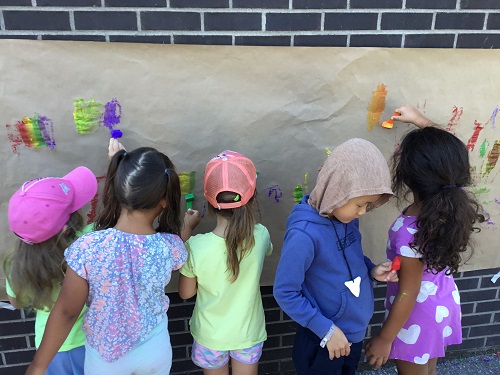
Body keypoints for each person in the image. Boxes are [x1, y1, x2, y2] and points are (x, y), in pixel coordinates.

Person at [26, 146, 199, 375]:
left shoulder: (88, 247)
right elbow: (176, 258)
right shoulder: (170, 246)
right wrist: (186, 229)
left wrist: (39, 365)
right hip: (155, 350)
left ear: (118, 191)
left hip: (106, 358)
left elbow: (67, 311)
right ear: (165, 200)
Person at [365, 106, 485, 375]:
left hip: (415, 316)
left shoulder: (409, 231)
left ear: (407, 176)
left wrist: (384, 339)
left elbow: (408, 291)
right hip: (441, 304)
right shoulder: (450, 202)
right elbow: (449, 157)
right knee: (428, 370)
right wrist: (421, 121)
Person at [273, 138, 399, 375]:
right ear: (337, 192)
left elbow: (350, 258)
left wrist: (371, 269)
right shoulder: (304, 236)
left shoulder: (346, 219)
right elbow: (285, 292)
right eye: (360, 204)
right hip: (322, 340)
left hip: (351, 336)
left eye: (369, 205)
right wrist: (326, 330)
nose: (363, 212)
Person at [178, 150, 273, 375]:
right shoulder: (260, 236)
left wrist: (187, 230)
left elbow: (185, 293)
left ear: (209, 202)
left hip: (210, 337)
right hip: (248, 334)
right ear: (252, 197)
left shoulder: (195, 246)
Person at [4, 166, 98, 375]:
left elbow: (17, 302)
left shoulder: (16, 265)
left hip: (50, 349)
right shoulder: (90, 242)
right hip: (92, 343)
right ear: (65, 227)